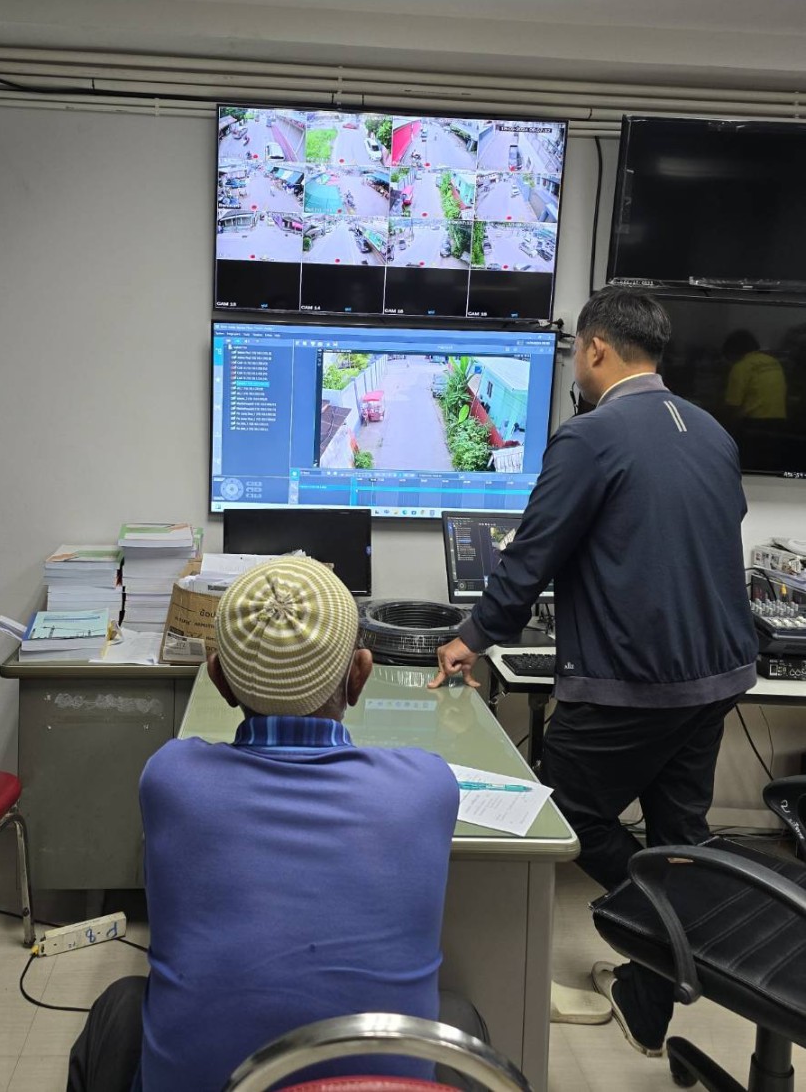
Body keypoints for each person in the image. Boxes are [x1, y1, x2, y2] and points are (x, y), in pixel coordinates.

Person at [429, 287, 758, 1059]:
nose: (575, 363)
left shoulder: (589, 435)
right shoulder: (711, 431)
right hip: (717, 674)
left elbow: (531, 553)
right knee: (678, 833)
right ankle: (649, 997)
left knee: (564, 814)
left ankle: (667, 939)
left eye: (574, 350)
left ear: (596, 348)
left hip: (633, 678)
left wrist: (470, 638)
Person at [68, 557, 466, 1092]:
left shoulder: (170, 778)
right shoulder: (427, 786)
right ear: (360, 673)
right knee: (461, 1017)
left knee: (119, 1002)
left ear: (219, 680)